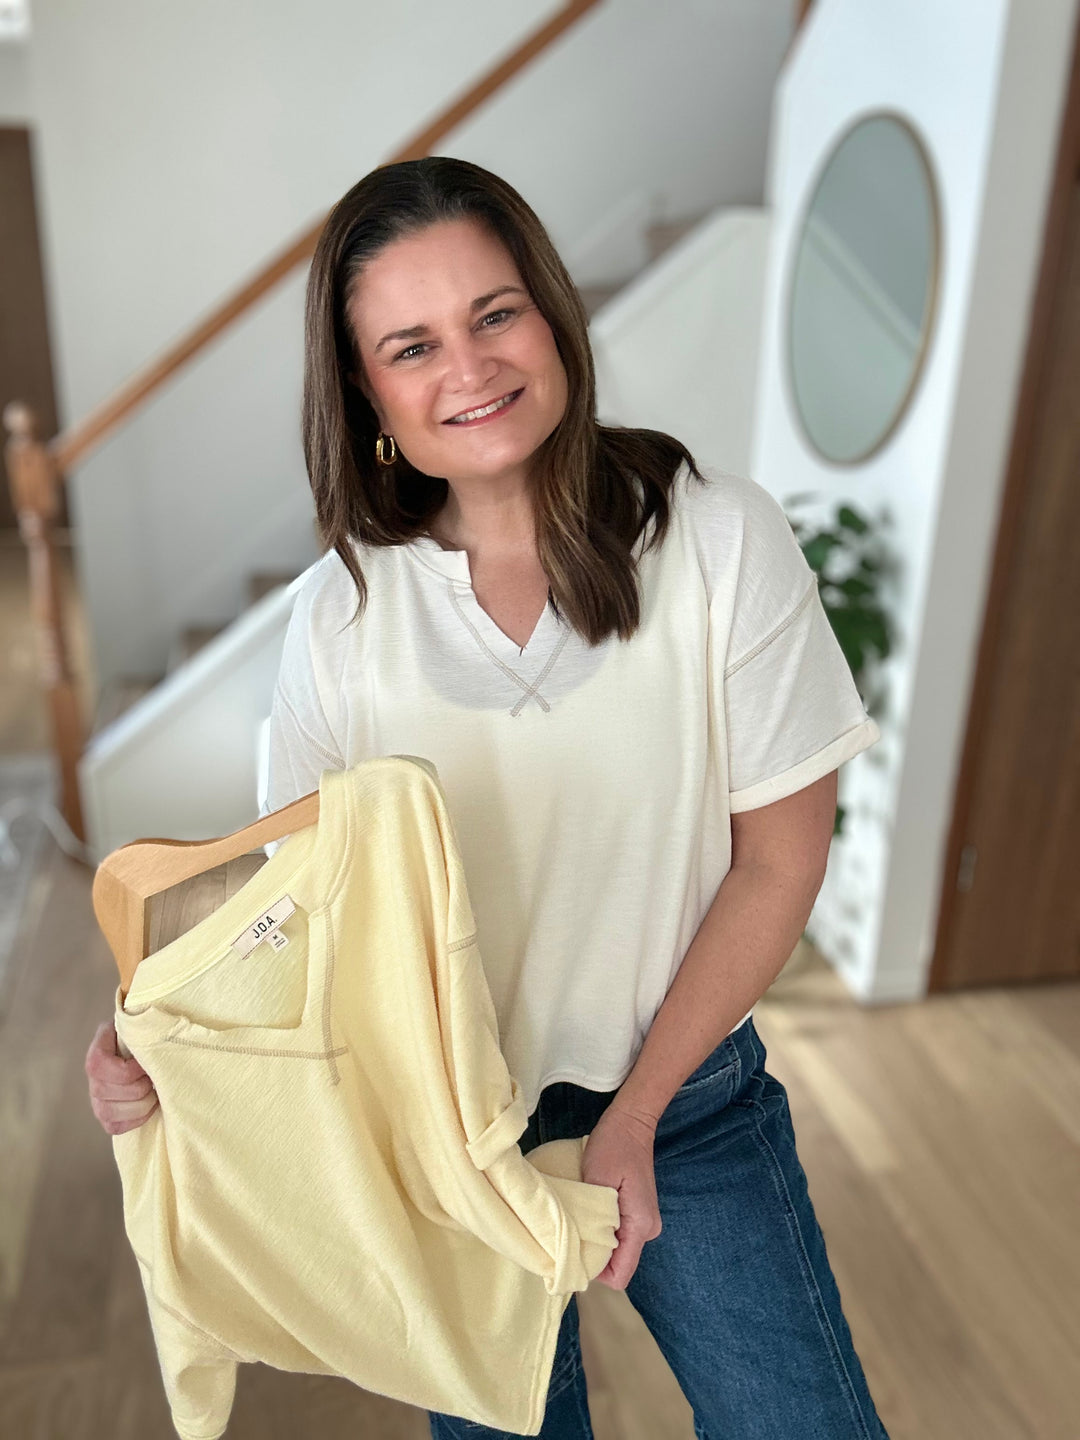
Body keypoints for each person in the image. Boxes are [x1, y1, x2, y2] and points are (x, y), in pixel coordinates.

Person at [86, 156, 891, 1439]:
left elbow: (780, 862)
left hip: (686, 1104)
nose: (468, 368)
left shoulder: (719, 538)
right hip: (452, 1142)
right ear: (369, 394)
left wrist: (630, 1120)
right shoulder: (342, 613)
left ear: (553, 316)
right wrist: (160, 1043)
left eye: (495, 313)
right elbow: (294, 920)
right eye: (411, 344)